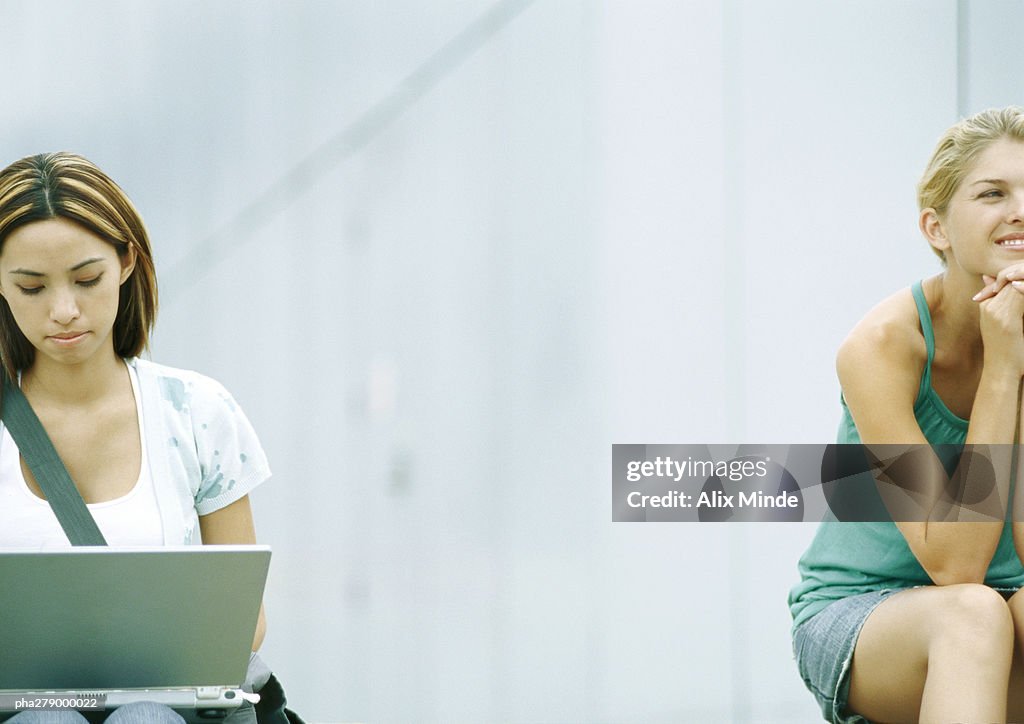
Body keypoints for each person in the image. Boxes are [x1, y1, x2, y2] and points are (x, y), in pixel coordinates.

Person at [0, 152, 272, 724]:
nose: (65, 311)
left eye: (87, 279)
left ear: (127, 261)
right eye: (32, 288)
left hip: (169, 704)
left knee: (145, 717)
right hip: (18, 706)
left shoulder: (196, 413)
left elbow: (244, 621)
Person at [789, 106, 1024, 723]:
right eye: (993, 193)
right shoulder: (882, 347)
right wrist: (1004, 371)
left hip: (996, 605)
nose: (1019, 210)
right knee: (971, 615)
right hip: (863, 612)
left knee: (987, 612)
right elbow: (956, 565)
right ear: (936, 227)